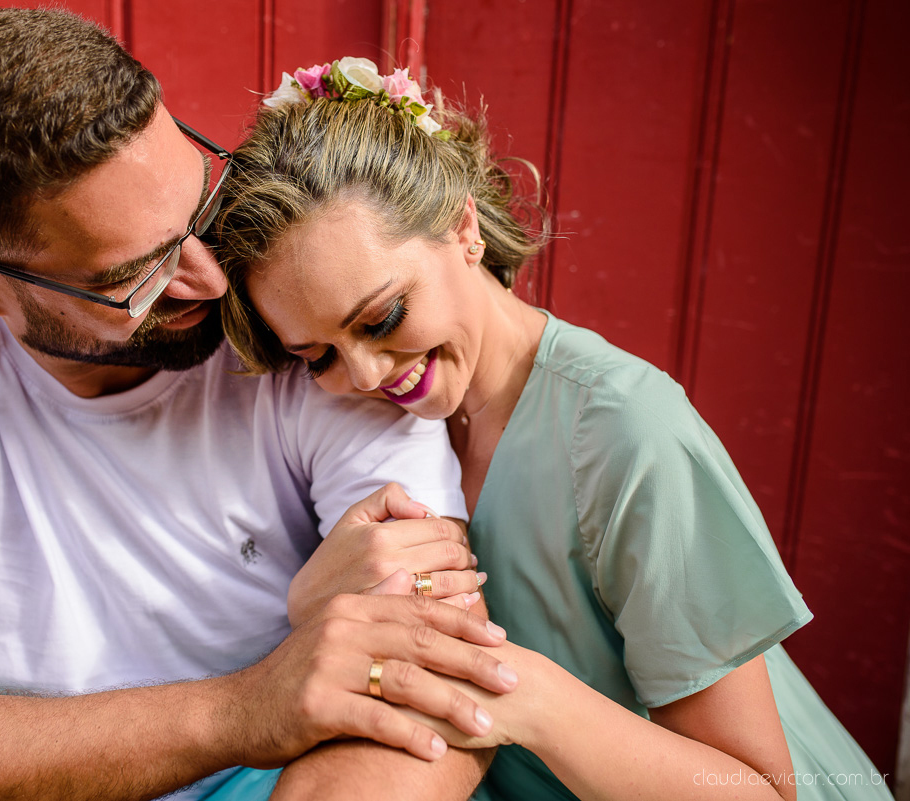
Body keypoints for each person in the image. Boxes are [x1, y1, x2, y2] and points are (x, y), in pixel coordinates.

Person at [0, 12, 521, 801]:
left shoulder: (298, 316)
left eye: (200, 208)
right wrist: (239, 708)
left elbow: (436, 679)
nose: (212, 281)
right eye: (139, 275)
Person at [215, 58, 894, 799]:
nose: (369, 375)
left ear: (462, 226)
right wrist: (313, 608)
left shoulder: (627, 433)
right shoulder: (369, 430)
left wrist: (524, 696)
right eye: (317, 356)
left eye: (382, 319)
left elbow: (760, 788)